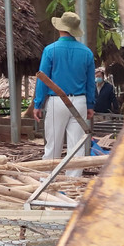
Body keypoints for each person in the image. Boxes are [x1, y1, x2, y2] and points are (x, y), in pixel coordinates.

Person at [33, 12, 95, 178]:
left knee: (53, 144)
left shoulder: (50, 50)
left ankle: (46, 183)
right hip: (79, 101)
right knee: (77, 145)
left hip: (57, 101)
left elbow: (43, 79)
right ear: (74, 30)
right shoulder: (87, 53)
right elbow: (91, 83)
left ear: (60, 28)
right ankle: (72, 183)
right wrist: (90, 105)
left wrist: (38, 104)